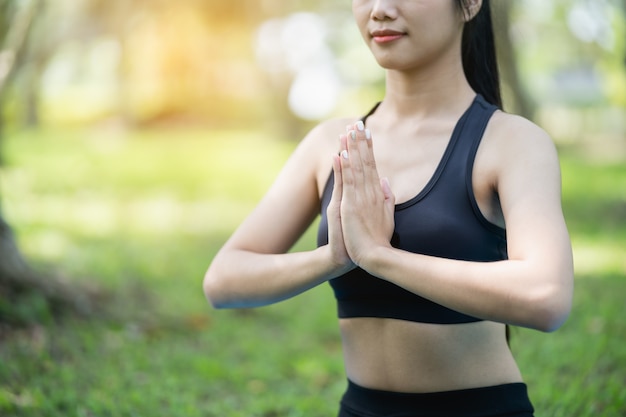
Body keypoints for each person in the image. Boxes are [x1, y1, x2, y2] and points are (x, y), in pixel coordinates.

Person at [203, 0, 574, 415]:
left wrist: (380, 257)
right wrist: (333, 258)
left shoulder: (511, 142)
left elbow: (546, 296)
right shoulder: (330, 144)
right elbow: (223, 280)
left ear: (469, 4)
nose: (379, 9)